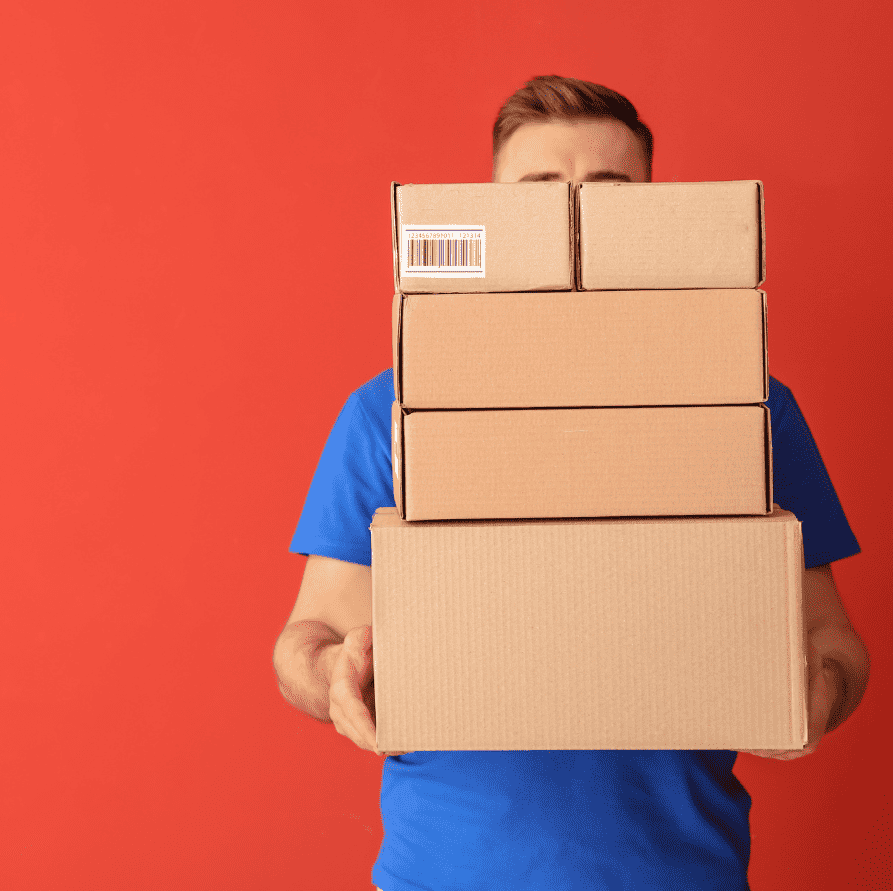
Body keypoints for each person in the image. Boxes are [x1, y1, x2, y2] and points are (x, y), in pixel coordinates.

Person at [271, 75, 870, 891]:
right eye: (539, 196)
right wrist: (333, 677)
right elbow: (307, 638)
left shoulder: (747, 402)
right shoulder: (393, 409)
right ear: (489, 210)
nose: (573, 226)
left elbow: (836, 645)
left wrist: (816, 691)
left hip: (680, 874)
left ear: (656, 215)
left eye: (610, 197)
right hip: (447, 874)